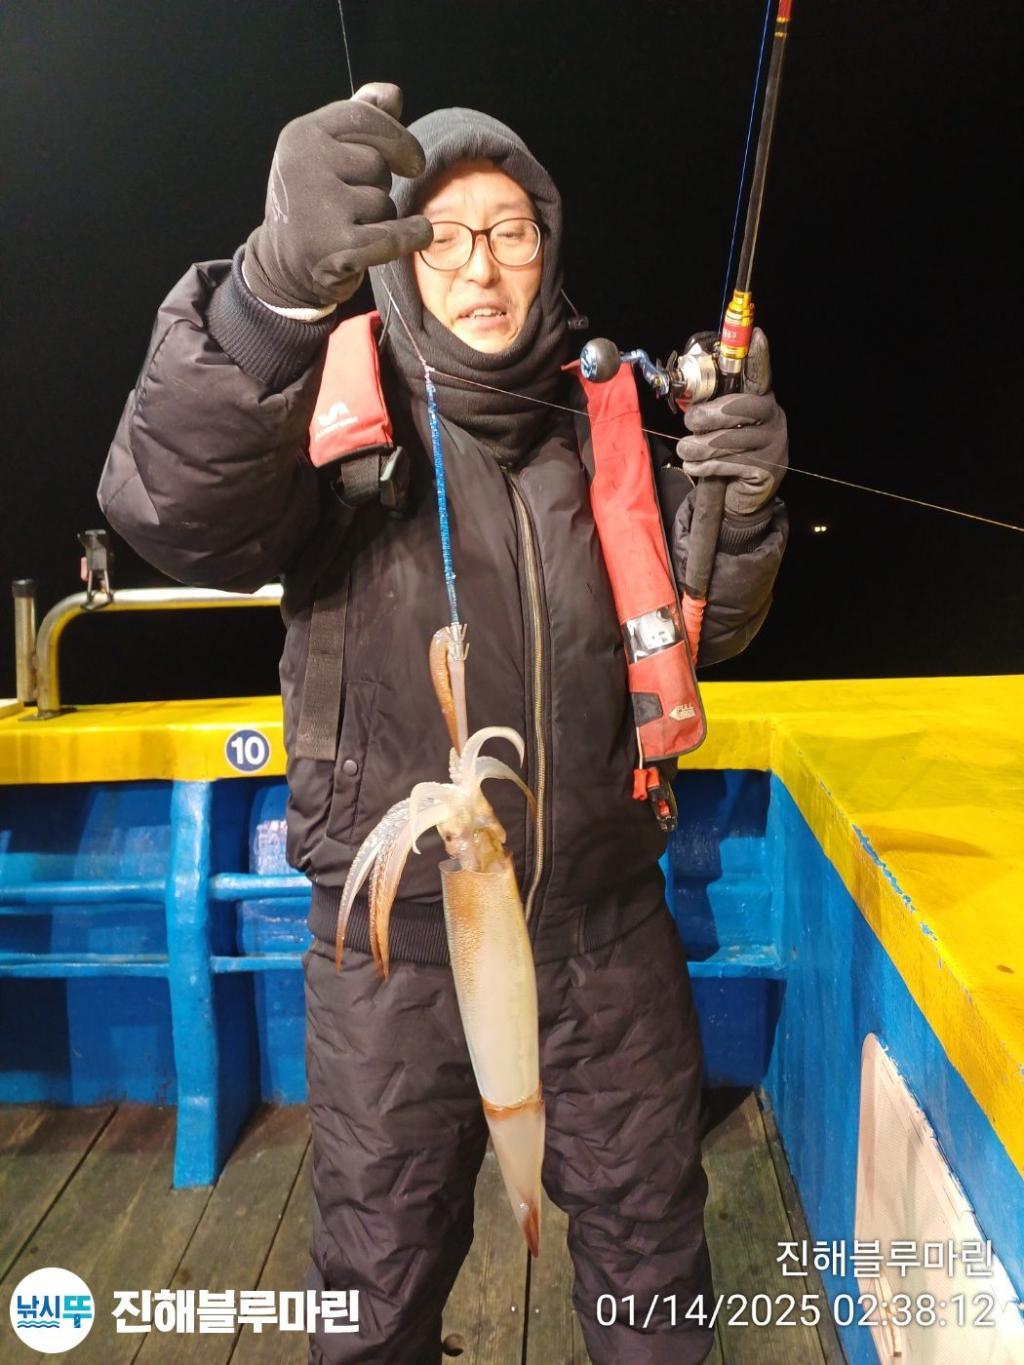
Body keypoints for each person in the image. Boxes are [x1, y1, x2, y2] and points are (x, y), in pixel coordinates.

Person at [99, 82, 788, 1365]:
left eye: (512, 232)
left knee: (652, 1253)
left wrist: (739, 508)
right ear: (395, 256)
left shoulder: (601, 423)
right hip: (393, 958)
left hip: (606, 933)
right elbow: (170, 510)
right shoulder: (330, 421)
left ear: (548, 248)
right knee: (377, 1275)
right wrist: (266, 298)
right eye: (444, 234)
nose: (481, 265)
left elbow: (701, 630)